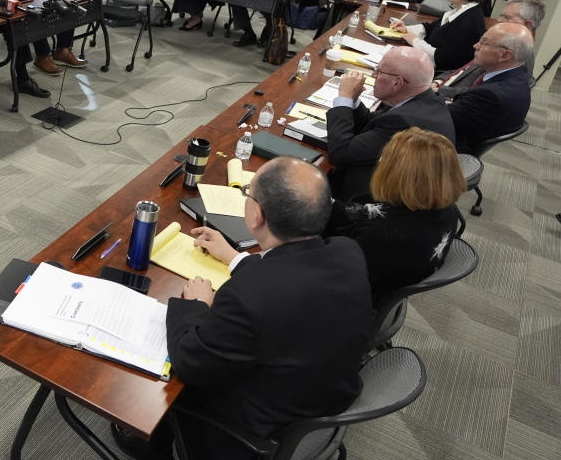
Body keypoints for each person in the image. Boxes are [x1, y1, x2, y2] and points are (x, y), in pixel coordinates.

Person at [111, 157, 371, 460]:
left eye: (248, 192)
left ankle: (153, 447)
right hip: (319, 398)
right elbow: (289, 279)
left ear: (256, 214)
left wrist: (195, 304)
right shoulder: (347, 251)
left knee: (168, 380)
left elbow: (189, 361)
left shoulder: (246, 298)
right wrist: (234, 258)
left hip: (255, 429)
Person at [326, 127, 465, 301]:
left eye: (385, 160)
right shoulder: (447, 210)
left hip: (349, 297)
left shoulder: (381, 234)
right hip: (389, 273)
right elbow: (369, 214)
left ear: (401, 176)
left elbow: (332, 274)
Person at [326, 46, 455, 201]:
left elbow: (340, 153)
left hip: (371, 199)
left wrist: (344, 97)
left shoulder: (404, 122)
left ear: (397, 83)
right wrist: (353, 99)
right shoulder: (424, 100)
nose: (373, 75)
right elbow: (372, 125)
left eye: (379, 71)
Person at [447, 22, 534, 153]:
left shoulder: (490, 96)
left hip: (446, 149)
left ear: (505, 55)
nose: (475, 46)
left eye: (484, 43)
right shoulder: (518, 76)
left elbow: (439, 118)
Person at [434, 0, 543, 98]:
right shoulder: (499, 42)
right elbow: (465, 69)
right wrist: (438, 81)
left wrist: (439, 89)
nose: (499, 21)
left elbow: (484, 92)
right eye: (501, 16)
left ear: (527, 24)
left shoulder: (520, 57)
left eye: (507, 17)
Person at [394, 0, 488, 71]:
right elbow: (431, 28)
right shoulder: (461, 10)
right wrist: (407, 29)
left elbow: (443, 59)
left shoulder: (469, 22)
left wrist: (415, 41)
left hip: (437, 75)